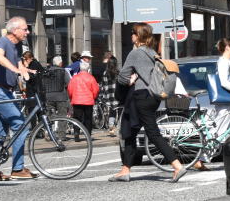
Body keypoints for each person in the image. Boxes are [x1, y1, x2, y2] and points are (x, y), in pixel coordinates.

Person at [110, 23, 183, 183]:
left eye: (133, 33)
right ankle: (125, 170)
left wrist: (130, 80)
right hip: (153, 97)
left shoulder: (135, 53)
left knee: (152, 132)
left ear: (138, 36)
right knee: (129, 129)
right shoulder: (152, 53)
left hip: (141, 96)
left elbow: (122, 77)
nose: (131, 36)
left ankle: (177, 165)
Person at [0, 17, 35, 181]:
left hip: (6, 91)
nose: (27, 32)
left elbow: (19, 64)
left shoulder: (16, 46)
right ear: (15, 30)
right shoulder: (3, 41)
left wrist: (29, 72)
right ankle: (18, 168)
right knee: (21, 126)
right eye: (25, 29)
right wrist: (16, 70)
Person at [68, 54, 100, 133]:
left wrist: (71, 97)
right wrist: (94, 97)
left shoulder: (75, 78)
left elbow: (70, 89)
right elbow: (95, 90)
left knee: (77, 118)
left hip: (77, 100)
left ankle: (76, 133)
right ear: (87, 68)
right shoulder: (91, 78)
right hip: (88, 101)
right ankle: (88, 133)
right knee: (88, 118)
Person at [42, 54, 71, 121]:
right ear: (60, 63)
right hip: (61, 97)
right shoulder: (63, 71)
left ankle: (49, 130)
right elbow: (69, 83)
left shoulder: (47, 71)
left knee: (49, 116)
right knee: (62, 117)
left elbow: (43, 84)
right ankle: (61, 131)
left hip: (48, 97)